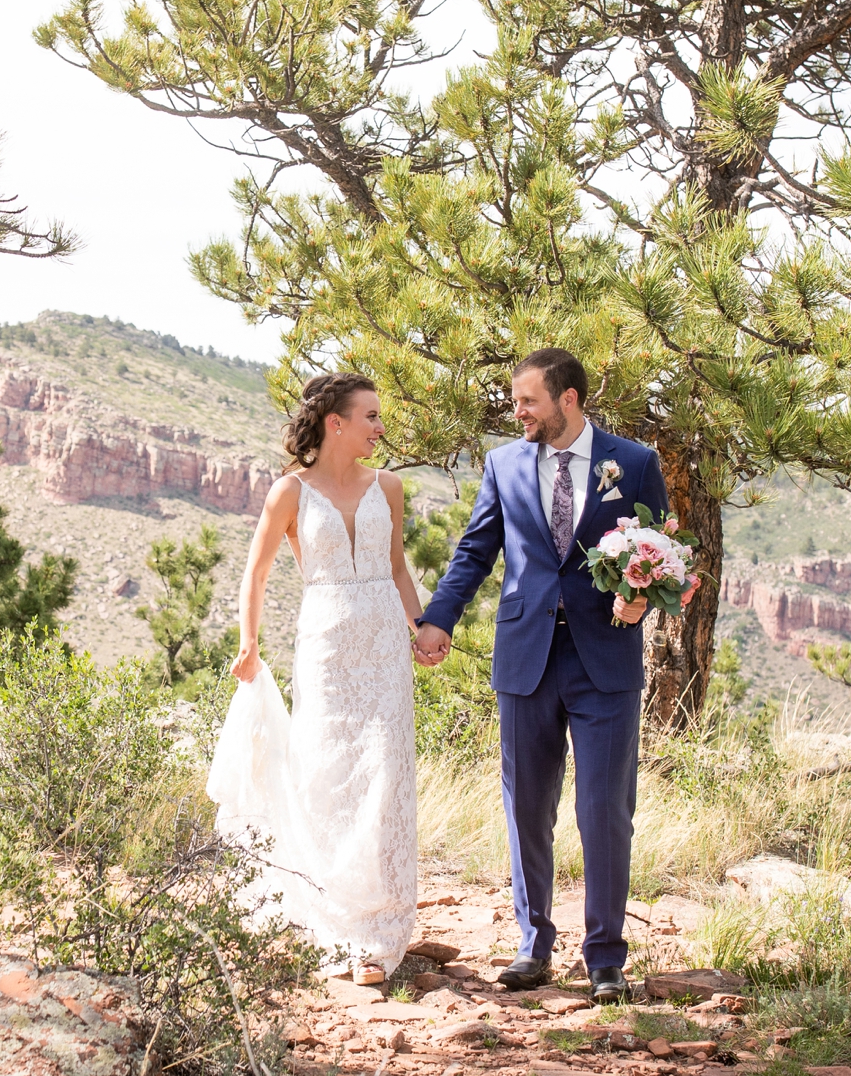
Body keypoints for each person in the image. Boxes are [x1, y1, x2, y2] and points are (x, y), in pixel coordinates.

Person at [414, 348, 672, 1003]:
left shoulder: (634, 464)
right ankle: (534, 945)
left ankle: (605, 958)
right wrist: (439, 618)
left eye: (527, 399)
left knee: (604, 810)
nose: (517, 410)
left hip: (606, 658)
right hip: (526, 655)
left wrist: (642, 597)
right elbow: (476, 549)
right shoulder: (503, 464)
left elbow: (665, 552)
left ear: (569, 400)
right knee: (527, 806)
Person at [207, 371, 434, 985]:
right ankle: (332, 919)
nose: (381, 428)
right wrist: (249, 645)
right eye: (372, 416)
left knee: (385, 774)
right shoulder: (289, 492)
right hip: (326, 646)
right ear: (337, 423)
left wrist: (422, 626)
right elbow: (253, 575)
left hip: (384, 643)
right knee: (328, 775)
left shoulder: (388, 486)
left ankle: (379, 932)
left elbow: (397, 569)